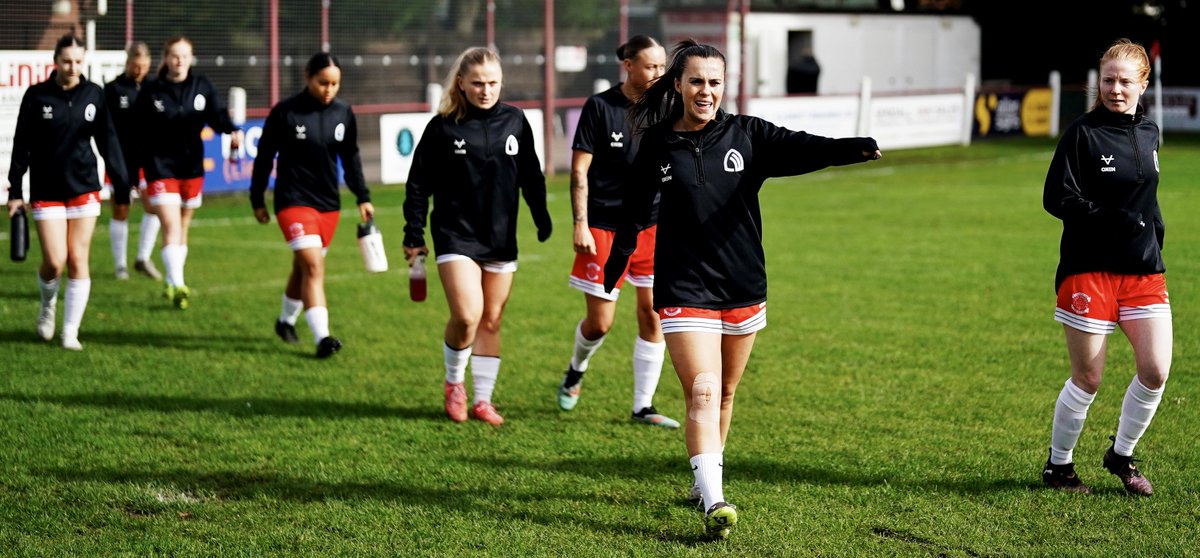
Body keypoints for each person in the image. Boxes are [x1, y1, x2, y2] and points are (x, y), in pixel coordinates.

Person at [603, 40, 880, 538]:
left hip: (742, 285)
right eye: (696, 81)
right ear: (678, 85)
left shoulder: (747, 134)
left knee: (725, 392)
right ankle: (715, 500)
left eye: (714, 82)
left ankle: (702, 481)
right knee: (703, 390)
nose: (705, 91)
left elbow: (801, 146)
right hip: (684, 285)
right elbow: (635, 209)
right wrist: (617, 260)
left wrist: (849, 149)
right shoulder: (658, 144)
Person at [1040, 38, 1169, 498]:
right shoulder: (1082, 133)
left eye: (1125, 81)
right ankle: (1059, 467)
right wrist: (1111, 219)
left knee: (1155, 371)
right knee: (1088, 378)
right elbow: (1056, 197)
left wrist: (1154, 233)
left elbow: (1147, 197)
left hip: (1143, 271)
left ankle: (1121, 455)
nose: (1115, 89)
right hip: (1089, 269)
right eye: (1108, 80)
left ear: (1142, 84)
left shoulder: (1151, 131)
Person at [403, 46, 552, 427]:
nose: (486, 90)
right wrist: (413, 233)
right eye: (478, 83)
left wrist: (541, 216)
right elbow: (418, 184)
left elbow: (530, 174)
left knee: (492, 319)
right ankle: (454, 383)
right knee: (468, 316)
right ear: (461, 84)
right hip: (455, 235)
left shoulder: (515, 121)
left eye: (493, 83)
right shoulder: (442, 127)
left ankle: (483, 400)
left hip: (500, 238)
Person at [556, 35, 678, 429]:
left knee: (653, 316)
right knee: (600, 323)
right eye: (651, 66)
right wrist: (580, 223)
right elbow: (579, 171)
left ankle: (643, 406)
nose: (658, 73)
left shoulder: (668, 106)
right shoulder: (600, 107)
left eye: (662, 66)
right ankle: (576, 369)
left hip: (653, 226)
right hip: (604, 228)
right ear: (628, 66)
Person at [6, 34, 130, 350]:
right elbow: (22, 144)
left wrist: (121, 182)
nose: (73, 67)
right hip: (46, 189)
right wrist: (15, 190)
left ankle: (70, 331)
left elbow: (108, 141)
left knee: (77, 257)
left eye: (78, 61)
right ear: (56, 62)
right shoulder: (36, 96)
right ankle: (47, 306)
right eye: (67, 61)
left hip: (84, 187)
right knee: (55, 261)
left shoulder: (94, 94)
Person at [250, 53, 373, 359]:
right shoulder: (285, 112)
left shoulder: (344, 113)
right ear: (307, 76)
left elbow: (351, 158)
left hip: (328, 204)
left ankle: (284, 322)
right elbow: (264, 157)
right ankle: (322, 338)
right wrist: (257, 198)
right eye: (322, 82)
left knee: (302, 268)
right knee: (314, 266)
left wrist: (362, 195)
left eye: (334, 84)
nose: (329, 89)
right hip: (292, 200)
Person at [132, 36, 242, 309]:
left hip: (191, 166)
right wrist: (135, 169)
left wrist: (231, 130)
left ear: (191, 58)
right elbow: (138, 131)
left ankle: (172, 281)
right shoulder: (152, 90)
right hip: (160, 166)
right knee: (170, 225)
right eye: (174, 55)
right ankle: (179, 283)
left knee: (182, 225)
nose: (179, 61)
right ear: (166, 58)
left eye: (184, 56)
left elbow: (218, 117)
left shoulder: (202, 86)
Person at [104, 41, 162, 281]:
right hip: (120, 160)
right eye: (136, 66)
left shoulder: (155, 87)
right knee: (121, 209)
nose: (140, 71)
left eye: (144, 66)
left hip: (148, 160)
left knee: (154, 207)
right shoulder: (113, 89)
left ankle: (142, 258)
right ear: (128, 63)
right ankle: (120, 266)